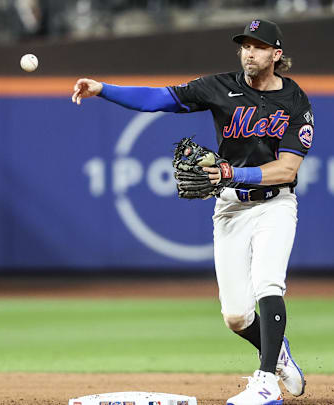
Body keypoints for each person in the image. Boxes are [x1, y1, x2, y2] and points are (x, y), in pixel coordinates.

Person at [71, 19, 311, 405]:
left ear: (276, 55)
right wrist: (102, 89)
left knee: (268, 283)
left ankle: (265, 382)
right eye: (245, 46)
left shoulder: (295, 101)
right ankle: (277, 352)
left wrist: (233, 172)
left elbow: (287, 168)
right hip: (231, 207)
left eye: (259, 47)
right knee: (235, 316)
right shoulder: (220, 87)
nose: (250, 52)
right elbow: (157, 99)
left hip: (275, 204)